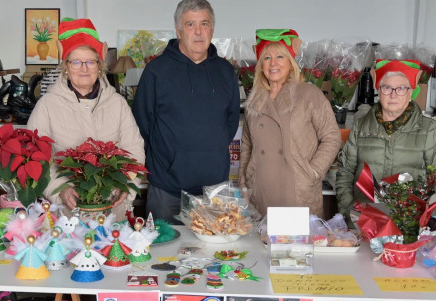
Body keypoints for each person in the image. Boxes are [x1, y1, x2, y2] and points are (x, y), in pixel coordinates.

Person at [334, 59, 436, 301]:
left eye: (401, 88)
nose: (393, 94)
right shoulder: (361, 124)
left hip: (410, 221)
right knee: (373, 277)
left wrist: (425, 219)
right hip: (367, 219)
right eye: (387, 87)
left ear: (412, 91)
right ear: (378, 90)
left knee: (408, 281)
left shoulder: (427, 129)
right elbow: (345, 171)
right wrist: (350, 212)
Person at [132, 0, 240, 221]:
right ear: (178, 30)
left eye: (204, 24)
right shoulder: (156, 71)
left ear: (212, 28)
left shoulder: (225, 72)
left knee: (213, 253)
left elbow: (229, 123)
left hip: (214, 192)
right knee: (163, 252)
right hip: (167, 189)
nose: (198, 32)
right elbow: (142, 124)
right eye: (190, 24)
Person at [27, 17, 145, 220]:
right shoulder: (47, 105)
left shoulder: (117, 104)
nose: (84, 68)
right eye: (76, 62)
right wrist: (59, 189)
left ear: (100, 66)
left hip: (113, 213)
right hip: (66, 217)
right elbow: (36, 158)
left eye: (91, 61)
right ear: (65, 66)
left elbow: (134, 150)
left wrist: (125, 184)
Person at [239, 29, 341, 217]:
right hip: (261, 189)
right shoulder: (254, 99)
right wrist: (244, 181)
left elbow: (332, 137)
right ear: (261, 65)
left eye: (280, 56)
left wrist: (312, 173)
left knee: (297, 245)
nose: (273, 63)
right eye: (267, 58)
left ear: (291, 62)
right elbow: (247, 144)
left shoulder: (309, 94)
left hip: (297, 190)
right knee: (261, 244)